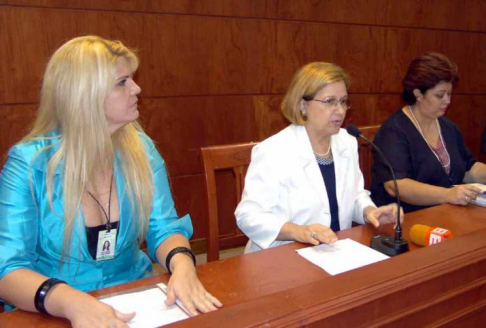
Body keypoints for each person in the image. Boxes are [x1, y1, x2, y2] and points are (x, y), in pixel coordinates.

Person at [0, 36, 221, 326]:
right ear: (84, 94)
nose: (136, 88)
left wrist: (183, 265)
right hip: (52, 309)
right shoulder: (29, 164)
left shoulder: (141, 149)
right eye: (122, 82)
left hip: (136, 297)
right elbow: (7, 267)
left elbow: (163, 227)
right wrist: (70, 301)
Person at [235, 62, 403, 253]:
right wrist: (299, 231)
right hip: (282, 257)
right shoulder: (273, 151)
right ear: (302, 105)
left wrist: (369, 212)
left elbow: (355, 195)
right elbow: (248, 215)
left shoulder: (347, 142)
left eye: (343, 101)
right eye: (329, 101)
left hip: (334, 251)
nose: (339, 110)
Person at [370, 52, 486, 213]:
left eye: (450, 93)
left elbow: (468, 169)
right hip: (405, 218)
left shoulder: (448, 127)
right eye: (440, 95)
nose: (447, 100)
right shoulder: (394, 131)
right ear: (418, 94)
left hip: (446, 213)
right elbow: (396, 186)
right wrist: (447, 194)